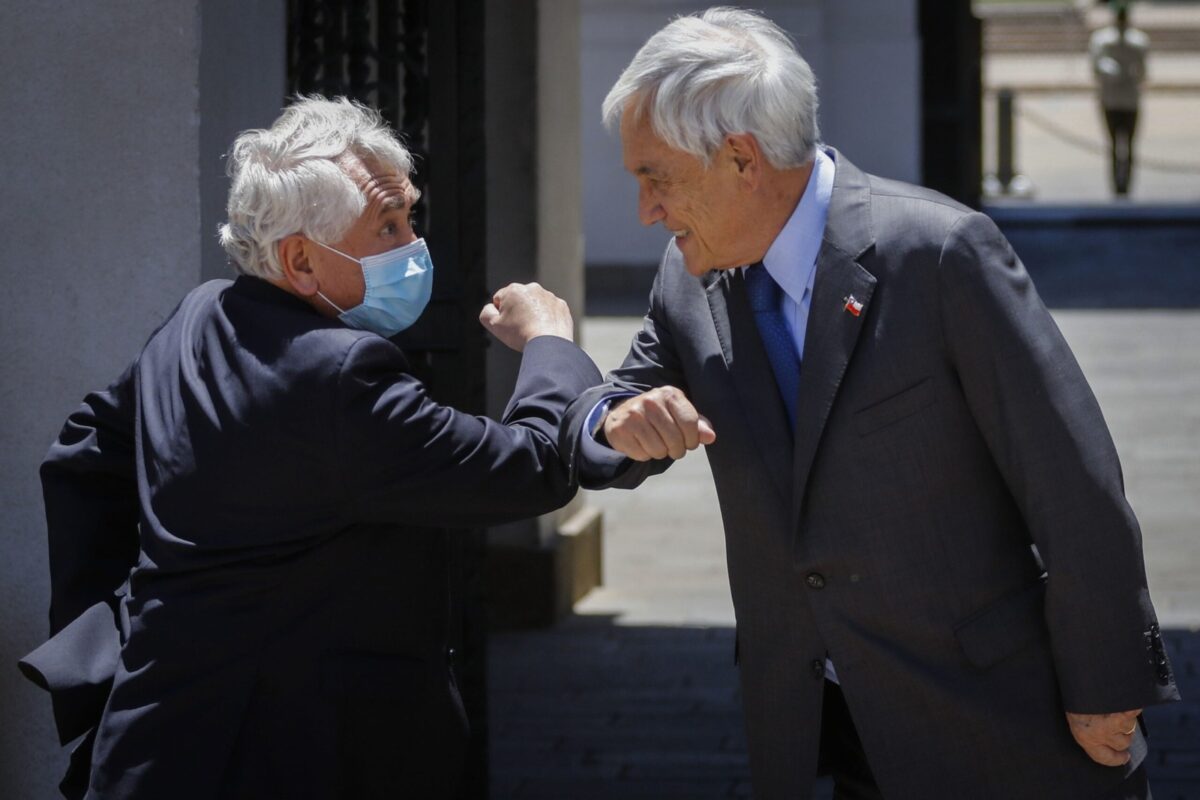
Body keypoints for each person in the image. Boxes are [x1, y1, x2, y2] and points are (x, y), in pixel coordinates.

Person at [561, 8, 1179, 799]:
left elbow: (1072, 480)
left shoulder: (938, 252)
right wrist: (607, 419)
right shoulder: (688, 276)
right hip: (815, 731)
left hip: (990, 721)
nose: (646, 209)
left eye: (657, 177)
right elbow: (618, 404)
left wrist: (1107, 680)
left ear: (741, 158)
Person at [18, 96, 601, 800]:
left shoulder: (200, 314)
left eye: (409, 214)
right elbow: (534, 466)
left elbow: (85, 449)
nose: (413, 245)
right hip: (290, 759)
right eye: (387, 226)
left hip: (154, 743)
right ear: (300, 260)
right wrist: (549, 342)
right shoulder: (339, 377)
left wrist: (121, 620)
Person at [1089, 4, 1149, 195]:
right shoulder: (1104, 40)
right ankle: (1119, 186)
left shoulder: (1137, 41)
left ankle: (1123, 186)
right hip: (1116, 99)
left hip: (1122, 100)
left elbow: (1141, 72)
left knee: (1123, 146)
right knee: (1118, 145)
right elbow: (1098, 68)